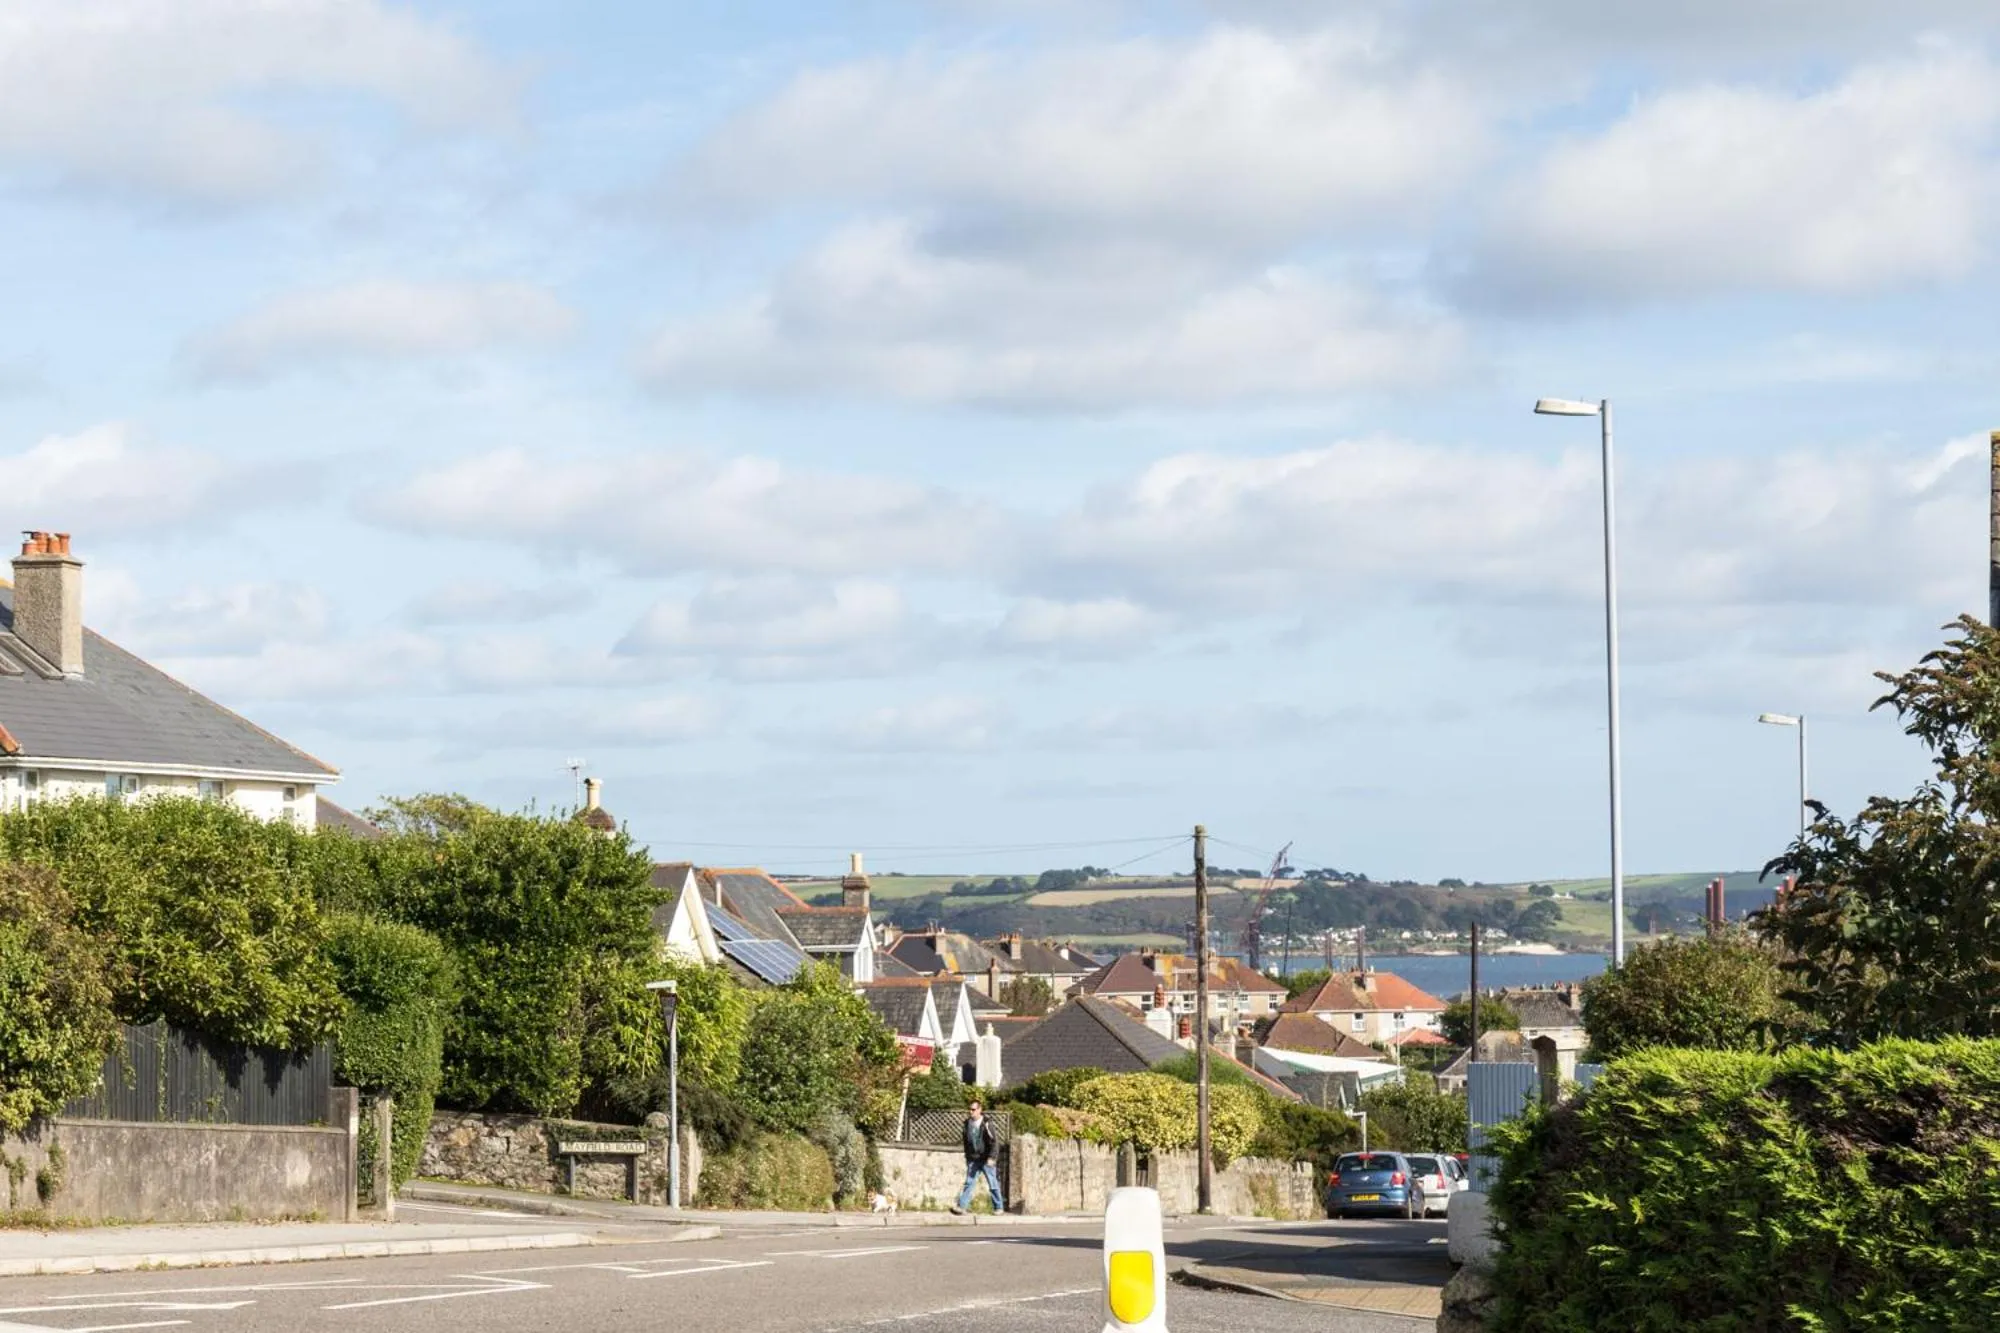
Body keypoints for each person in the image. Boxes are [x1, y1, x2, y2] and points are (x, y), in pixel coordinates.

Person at [950, 1099, 1004, 1215]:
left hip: (986, 1158)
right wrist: (968, 1157)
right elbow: (966, 1142)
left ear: (980, 1110)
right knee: (969, 1183)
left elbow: (994, 1142)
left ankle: (998, 1207)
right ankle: (961, 1207)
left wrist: (992, 1157)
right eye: (970, 1109)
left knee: (992, 1183)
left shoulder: (987, 1123)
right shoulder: (967, 1124)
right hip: (973, 1159)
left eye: (973, 1109)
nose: (971, 1112)